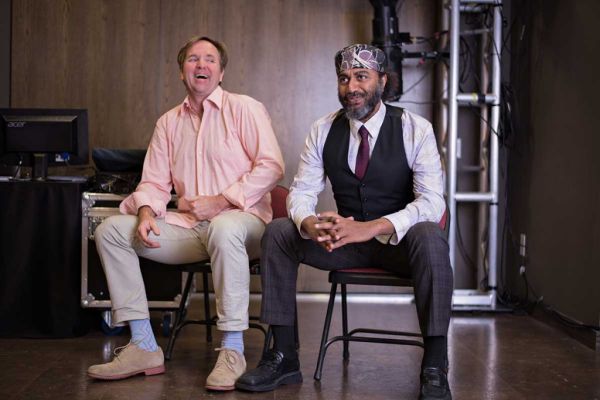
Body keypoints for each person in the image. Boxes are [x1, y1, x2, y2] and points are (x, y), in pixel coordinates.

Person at [236, 44, 453, 400]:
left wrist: (369, 228)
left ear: (382, 81)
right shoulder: (323, 129)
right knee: (279, 232)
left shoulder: (416, 128)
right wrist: (309, 224)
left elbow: (432, 202)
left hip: (400, 247)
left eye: (361, 76)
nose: (351, 86)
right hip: (344, 247)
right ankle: (284, 355)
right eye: (344, 78)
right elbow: (302, 193)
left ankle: (434, 364)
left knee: (431, 235)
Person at [87, 36, 284, 391]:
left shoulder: (245, 109)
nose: (201, 65)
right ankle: (144, 345)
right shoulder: (168, 123)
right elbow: (153, 182)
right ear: (182, 72)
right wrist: (146, 211)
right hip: (191, 229)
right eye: (193, 59)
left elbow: (272, 167)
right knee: (111, 230)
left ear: (221, 71)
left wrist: (221, 201)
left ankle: (233, 350)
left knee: (224, 227)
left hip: (245, 225)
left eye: (210, 59)